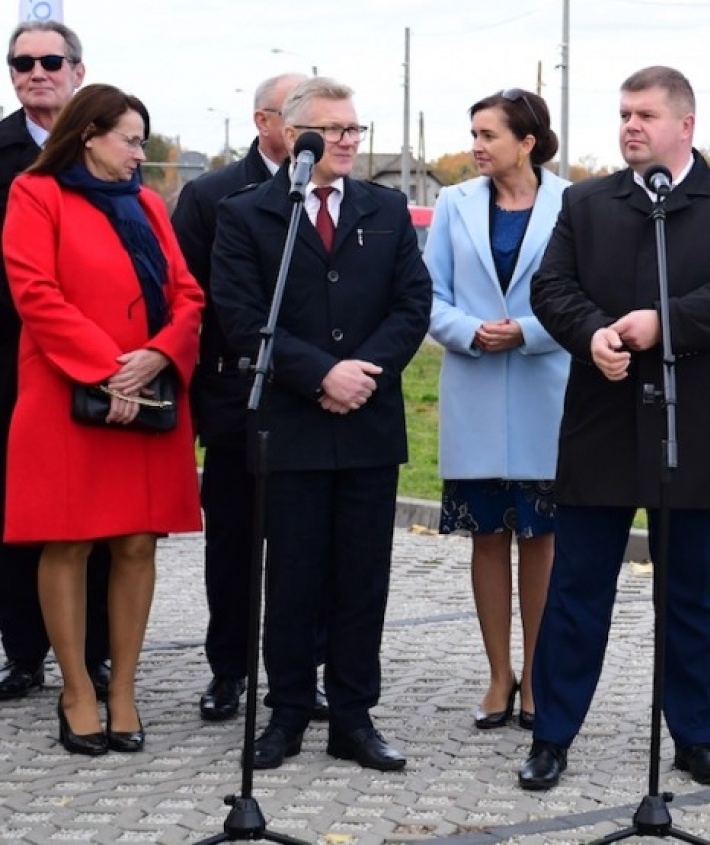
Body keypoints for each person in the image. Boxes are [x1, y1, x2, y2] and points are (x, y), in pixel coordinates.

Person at [518, 65, 710, 791]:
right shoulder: (586, 201)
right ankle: (552, 734)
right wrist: (592, 334)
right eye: (624, 114)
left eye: (645, 115)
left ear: (685, 125)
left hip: (693, 429)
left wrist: (665, 323)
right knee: (578, 591)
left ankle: (696, 737)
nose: (630, 126)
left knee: (693, 593)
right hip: (600, 427)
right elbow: (551, 287)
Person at [209, 77, 431, 772]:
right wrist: (317, 374)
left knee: (363, 573)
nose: (345, 141)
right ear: (297, 135)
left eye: (353, 130)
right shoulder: (247, 213)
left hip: (367, 419)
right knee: (295, 572)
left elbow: (413, 304)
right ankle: (288, 710)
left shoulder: (387, 207)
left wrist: (362, 370)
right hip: (293, 421)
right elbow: (242, 317)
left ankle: (354, 714)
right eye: (331, 130)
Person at [2, 84, 204, 755]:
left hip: (147, 394)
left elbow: (186, 294)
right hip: (66, 396)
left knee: (137, 543)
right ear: (89, 133)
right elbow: (36, 293)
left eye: (143, 140)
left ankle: (124, 689)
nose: (138, 154)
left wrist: (156, 356)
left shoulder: (148, 203)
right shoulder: (36, 194)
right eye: (129, 139)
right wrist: (103, 367)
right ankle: (76, 688)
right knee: (68, 540)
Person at [425, 88, 570, 730]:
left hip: (547, 390)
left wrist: (530, 330)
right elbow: (428, 296)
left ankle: (538, 677)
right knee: (487, 536)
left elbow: (585, 293)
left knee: (541, 538)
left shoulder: (573, 203)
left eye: (488, 134)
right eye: (474, 133)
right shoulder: (453, 204)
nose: (476, 146)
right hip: (476, 388)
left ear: (527, 142)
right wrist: (469, 330)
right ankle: (496, 676)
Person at [171, 72, 312, 724]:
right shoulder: (210, 195)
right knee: (233, 541)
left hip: (311, 392)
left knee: (301, 543)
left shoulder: (334, 189)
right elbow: (192, 297)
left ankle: (298, 672)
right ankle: (229, 668)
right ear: (264, 121)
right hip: (237, 389)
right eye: (298, 112)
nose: (313, 126)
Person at [0, 21, 112, 704]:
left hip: (102, 359)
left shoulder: (107, 149)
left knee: (100, 513)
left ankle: (97, 652)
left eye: (49, 60)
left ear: (76, 68)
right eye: (21, 62)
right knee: (21, 513)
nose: (35, 71)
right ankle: (23, 651)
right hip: (12, 364)